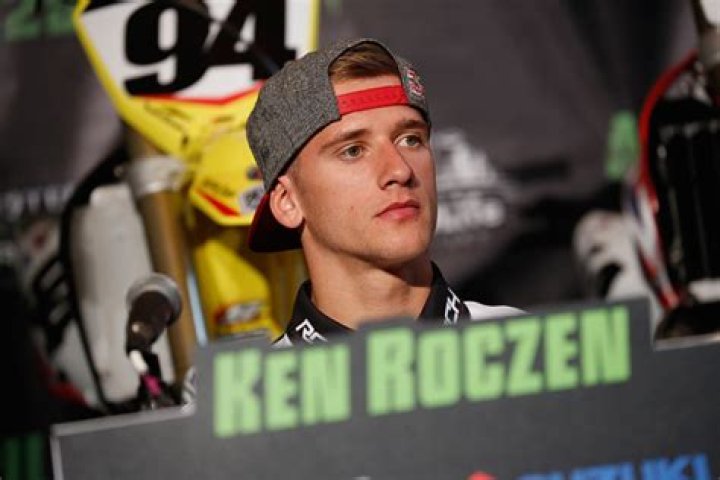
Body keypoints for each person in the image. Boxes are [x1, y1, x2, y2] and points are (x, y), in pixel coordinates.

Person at [246, 38, 521, 346]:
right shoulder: (261, 380)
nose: (400, 170)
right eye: (352, 150)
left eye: (410, 140)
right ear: (288, 202)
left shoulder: (536, 352)